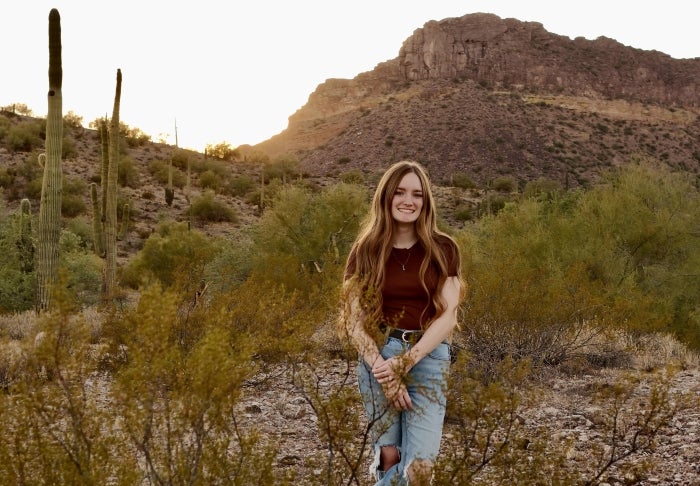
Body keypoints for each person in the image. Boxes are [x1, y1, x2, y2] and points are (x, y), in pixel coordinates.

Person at [340, 160, 465, 485]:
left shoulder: (443, 248)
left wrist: (408, 361)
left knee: (420, 467)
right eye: (400, 192)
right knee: (389, 455)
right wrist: (383, 369)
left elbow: (449, 315)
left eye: (417, 194)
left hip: (428, 355)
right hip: (378, 355)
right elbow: (354, 321)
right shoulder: (365, 250)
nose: (408, 200)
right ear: (386, 197)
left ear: (426, 202)